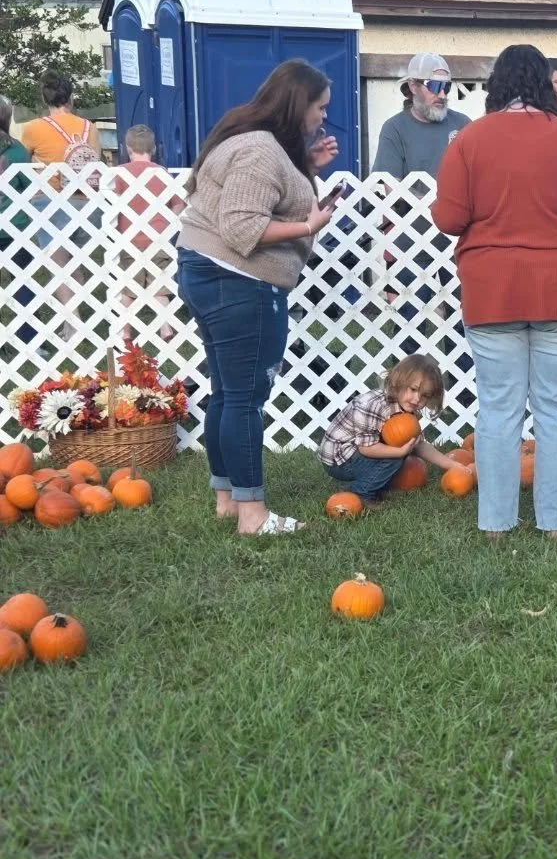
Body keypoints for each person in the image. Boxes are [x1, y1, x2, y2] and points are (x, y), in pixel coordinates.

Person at [433, 44, 557, 538]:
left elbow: (449, 218)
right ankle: (552, 523)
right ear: (547, 84)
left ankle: (496, 523)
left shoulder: (469, 140)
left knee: (498, 408)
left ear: (495, 85)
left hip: (493, 292)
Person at [176, 58, 340, 536]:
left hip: (209, 273)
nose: (324, 117)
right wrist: (309, 225)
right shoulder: (261, 149)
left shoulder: (250, 141)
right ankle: (253, 515)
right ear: (297, 104)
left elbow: (252, 198)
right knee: (246, 396)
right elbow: (243, 225)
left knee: (228, 391)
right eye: (320, 107)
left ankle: (227, 498)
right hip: (238, 281)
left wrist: (307, 167)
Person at [372, 53, 471, 361]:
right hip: (410, 243)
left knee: (463, 321)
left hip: (458, 241)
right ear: (413, 86)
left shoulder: (464, 125)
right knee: (409, 324)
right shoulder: (395, 128)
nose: (442, 94)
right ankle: (405, 402)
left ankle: (465, 398)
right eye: (434, 85)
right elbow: (389, 184)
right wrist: (437, 200)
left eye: (447, 86)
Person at [20, 70, 103, 341]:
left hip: (51, 201)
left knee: (59, 265)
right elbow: (96, 162)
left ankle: (73, 322)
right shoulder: (89, 127)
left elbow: (24, 162)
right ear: (71, 97)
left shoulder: (33, 128)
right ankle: (72, 321)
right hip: (86, 203)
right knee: (74, 263)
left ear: (46, 98)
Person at [318, 355, 453, 505]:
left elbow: (418, 444)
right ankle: (360, 493)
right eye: (413, 389)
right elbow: (366, 449)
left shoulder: (407, 407)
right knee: (395, 457)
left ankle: (375, 483)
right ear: (398, 381)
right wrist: (400, 452)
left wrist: (451, 465)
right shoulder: (373, 405)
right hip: (339, 459)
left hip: (354, 453)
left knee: (398, 452)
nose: (417, 399)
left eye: (425, 396)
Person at [114, 124, 181, 343]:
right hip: (158, 237)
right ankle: (165, 328)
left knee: (129, 288)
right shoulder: (160, 172)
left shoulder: (120, 173)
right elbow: (178, 203)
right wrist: (169, 221)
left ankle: (125, 330)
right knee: (160, 287)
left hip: (129, 238)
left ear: (127, 148)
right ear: (153, 148)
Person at [0, 94, 37, 347]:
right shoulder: (16, 150)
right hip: (16, 225)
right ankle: (27, 338)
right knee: (22, 281)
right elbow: (29, 188)